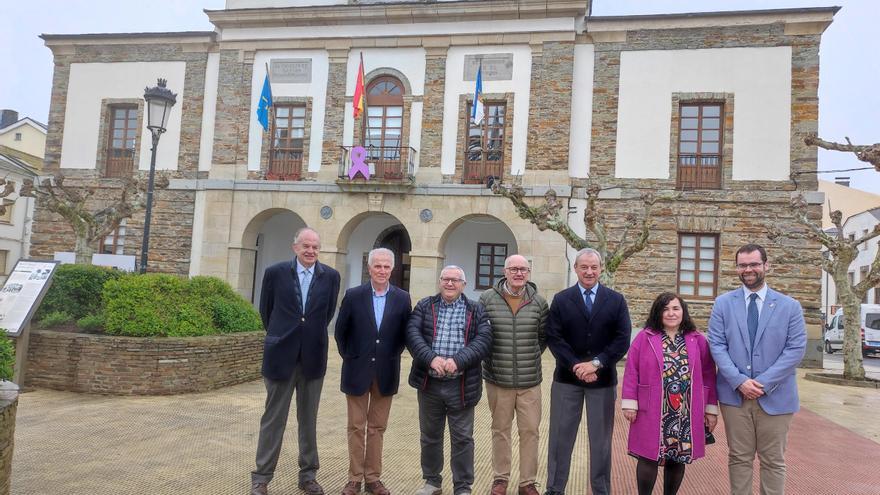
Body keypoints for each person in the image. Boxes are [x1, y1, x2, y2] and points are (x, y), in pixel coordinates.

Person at [708, 243, 806, 495]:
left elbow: (795, 350)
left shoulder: (789, 306)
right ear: (737, 268)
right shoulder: (723, 304)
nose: (748, 269)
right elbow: (717, 345)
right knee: (739, 458)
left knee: (773, 461)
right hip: (734, 396)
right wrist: (739, 381)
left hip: (776, 396)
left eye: (753, 264)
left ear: (766, 265)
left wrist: (762, 383)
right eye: (742, 265)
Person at [251, 228, 341, 495]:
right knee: (273, 419)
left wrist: (307, 336)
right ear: (295, 248)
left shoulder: (331, 277)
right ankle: (261, 477)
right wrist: (284, 337)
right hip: (281, 357)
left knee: (308, 420)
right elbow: (266, 312)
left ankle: (308, 475)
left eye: (315, 247)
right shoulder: (275, 273)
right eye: (306, 246)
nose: (311, 251)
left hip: (312, 358)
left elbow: (326, 314)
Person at [545, 248, 632, 495]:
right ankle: (554, 488)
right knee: (561, 438)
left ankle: (601, 489)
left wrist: (596, 363)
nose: (589, 271)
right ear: (575, 268)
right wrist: (576, 365)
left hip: (602, 380)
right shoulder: (561, 299)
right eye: (584, 267)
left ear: (601, 268)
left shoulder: (616, 300)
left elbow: (622, 338)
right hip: (566, 380)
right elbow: (554, 337)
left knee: (601, 441)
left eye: (594, 267)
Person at [621, 292, 719, 495]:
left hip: (685, 411)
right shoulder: (645, 337)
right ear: (658, 312)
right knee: (648, 456)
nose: (671, 313)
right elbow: (632, 369)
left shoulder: (697, 339)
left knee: (677, 456)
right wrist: (630, 403)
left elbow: (709, 374)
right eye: (665, 309)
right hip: (653, 408)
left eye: (675, 308)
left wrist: (710, 409)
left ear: (683, 311)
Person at [407, 265, 492, 495]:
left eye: (456, 280)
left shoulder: (476, 310)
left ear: (464, 285)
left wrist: (458, 360)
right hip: (429, 383)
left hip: (462, 385)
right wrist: (431, 358)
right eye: (446, 279)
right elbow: (413, 335)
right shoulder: (425, 306)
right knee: (430, 436)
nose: (450, 283)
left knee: (463, 438)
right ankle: (432, 482)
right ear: (440, 281)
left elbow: (484, 341)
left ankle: (462, 486)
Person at [335, 248, 412, 495]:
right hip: (356, 370)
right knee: (356, 427)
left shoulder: (402, 298)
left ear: (392, 269)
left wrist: (388, 356)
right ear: (369, 268)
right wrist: (352, 356)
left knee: (377, 428)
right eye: (377, 266)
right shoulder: (353, 295)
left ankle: (373, 478)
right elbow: (341, 333)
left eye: (386, 266)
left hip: (386, 371)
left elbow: (404, 335)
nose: (381, 270)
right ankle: (354, 478)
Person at [479, 254, 548, 495]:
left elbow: (542, 339)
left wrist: (526, 359)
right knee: (500, 430)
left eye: (524, 269)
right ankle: (500, 478)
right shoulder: (487, 299)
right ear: (505, 271)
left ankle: (527, 482)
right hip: (498, 379)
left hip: (530, 382)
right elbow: (481, 336)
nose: (519, 273)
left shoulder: (539, 302)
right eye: (514, 269)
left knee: (530, 431)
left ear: (529, 273)